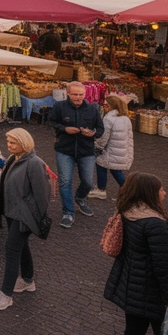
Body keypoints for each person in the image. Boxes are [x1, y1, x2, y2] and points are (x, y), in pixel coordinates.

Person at [105, 173, 168, 335]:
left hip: (131, 286)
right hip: (151, 292)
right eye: (161, 189)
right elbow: (163, 266)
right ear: (150, 193)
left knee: (133, 334)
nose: (164, 193)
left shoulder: (128, 213)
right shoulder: (155, 224)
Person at [0, 128, 50, 311]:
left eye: (13, 143)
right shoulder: (13, 159)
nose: (9, 145)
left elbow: (42, 195)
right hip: (11, 212)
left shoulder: (34, 163)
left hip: (23, 215)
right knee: (21, 247)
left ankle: (6, 295)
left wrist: (33, 217)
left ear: (23, 143)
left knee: (12, 249)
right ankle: (28, 281)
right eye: (8, 142)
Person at [47, 81, 103, 228]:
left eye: (81, 95)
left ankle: (80, 197)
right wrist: (65, 129)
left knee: (88, 182)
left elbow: (100, 129)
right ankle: (68, 212)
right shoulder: (59, 106)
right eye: (75, 95)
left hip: (86, 150)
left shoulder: (93, 109)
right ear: (68, 94)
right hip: (65, 149)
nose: (78, 97)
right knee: (65, 182)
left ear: (85, 95)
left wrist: (93, 133)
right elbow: (51, 122)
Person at [91, 94, 135, 200]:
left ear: (111, 106)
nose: (104, 107)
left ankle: (104, 190)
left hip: (110, 150)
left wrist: (98, 146)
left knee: (104, 166)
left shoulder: (108, 118)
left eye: (106, 105)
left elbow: (104, 136)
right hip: (121, 149)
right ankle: (125, 191)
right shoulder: (125, 118)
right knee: (114, 169)